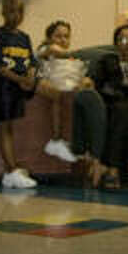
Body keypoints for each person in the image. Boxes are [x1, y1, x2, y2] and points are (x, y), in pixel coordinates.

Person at [0, 0, 44, 189]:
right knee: (4, 128)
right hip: (3, 88)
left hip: (19, 89)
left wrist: (30, 76)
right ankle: (11, 170)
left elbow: (32, 61)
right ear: (3, 12)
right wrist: (19, 80)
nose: (16, 15)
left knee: (12, 128)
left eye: (20, 11)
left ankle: (12, 169)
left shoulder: (24, 37)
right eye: (11, 11)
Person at [87, 24, 128, 191]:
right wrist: (88, 83)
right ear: (116, 44)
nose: (127, 42)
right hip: (113, 103)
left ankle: (112, 169)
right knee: (123, 111)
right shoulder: (108, 61)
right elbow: (95, 81)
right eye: (123, 38)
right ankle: (121, 167)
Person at [36, 19, 86, 164]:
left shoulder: (71, 59)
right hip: (50, 84)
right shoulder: (44, 50)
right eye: (58, 36)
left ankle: (81, 145)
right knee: (60, 93)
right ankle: (57, 140)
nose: (63, 40)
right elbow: (53, 50)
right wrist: (71, 54)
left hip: (71, 84)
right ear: (49, 38)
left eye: (66, 36)